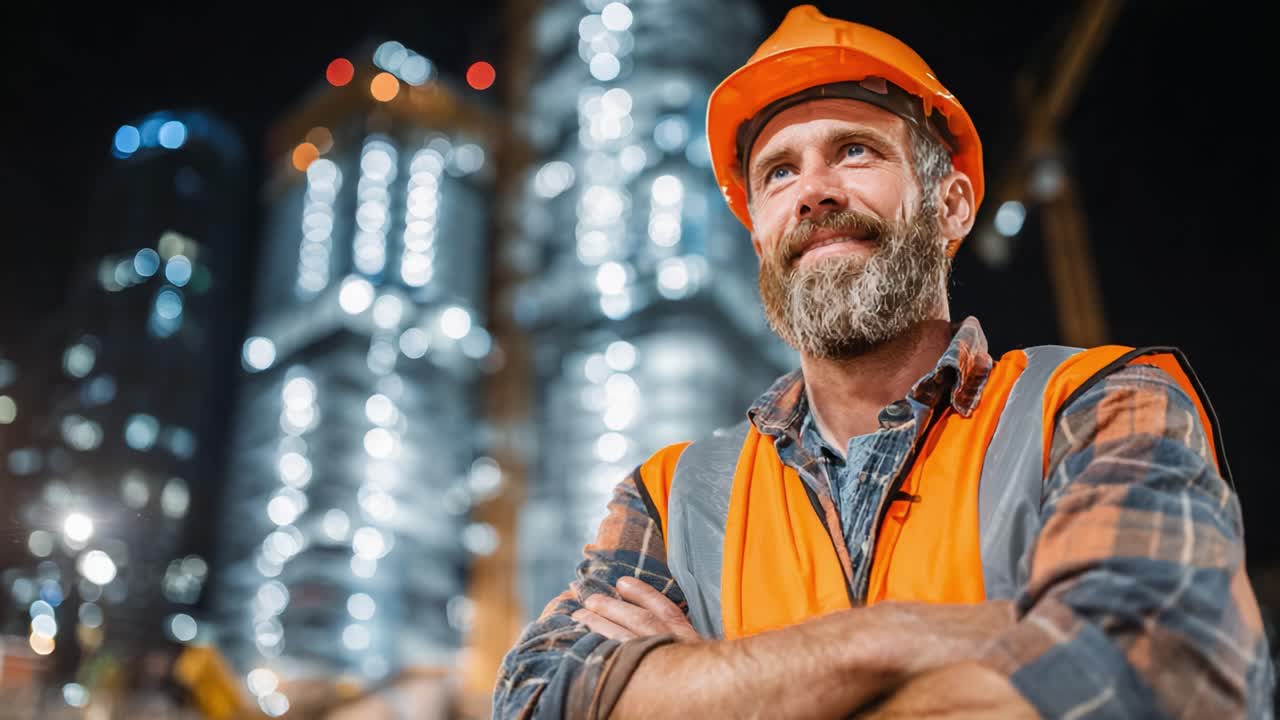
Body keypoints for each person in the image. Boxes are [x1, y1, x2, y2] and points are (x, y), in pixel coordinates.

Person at [493, 5, 1275, 718]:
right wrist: (896, 641)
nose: (814, 191)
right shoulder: (672, 497)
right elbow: (535, 702)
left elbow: (1157, 670)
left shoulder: (1095, 404)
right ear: (760, 236)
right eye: (779, 171)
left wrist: (715, 682)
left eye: (855, 150)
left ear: (953, 206)